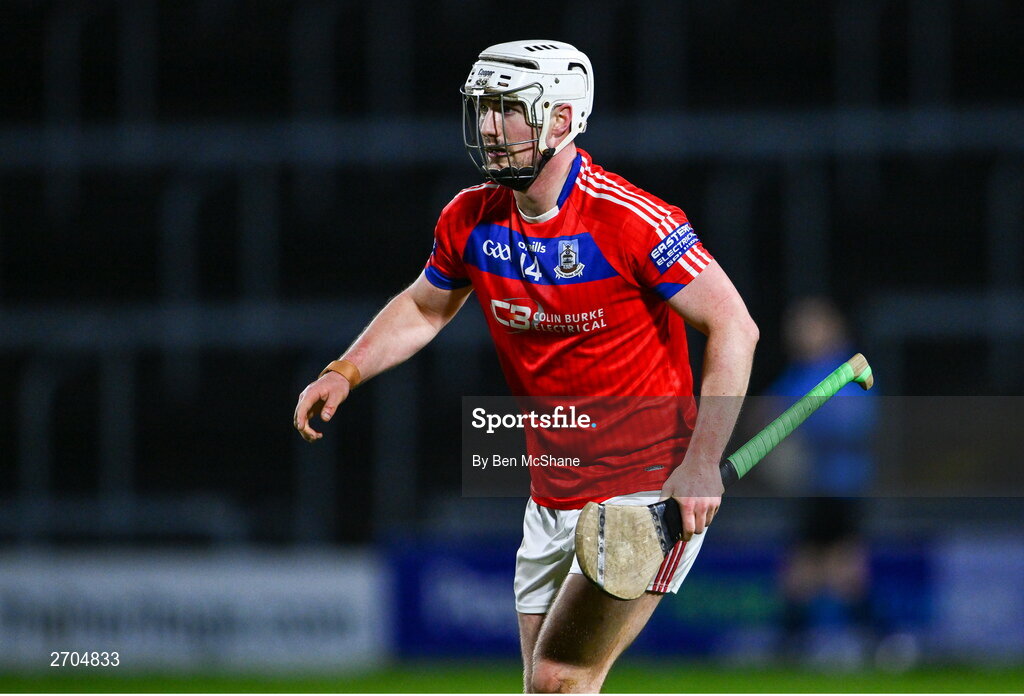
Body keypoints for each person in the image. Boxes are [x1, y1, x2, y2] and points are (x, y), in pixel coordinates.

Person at [293, 40, 758, 693]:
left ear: (562, 120)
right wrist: (344, 370)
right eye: (483, 108)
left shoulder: (630, 221)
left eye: (508, 109)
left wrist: (704, 458)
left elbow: (735, 325)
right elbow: (424, 309)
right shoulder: (469, 218)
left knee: (558, 677)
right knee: (550, 689)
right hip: (551, 495)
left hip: (646, 491)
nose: (488, 126)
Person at [765, 297, 878, 664]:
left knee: (841, 567)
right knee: (804, 568)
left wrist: (800, 433)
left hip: (841, 489)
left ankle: (874, 643)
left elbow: (853, 423)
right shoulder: (800, 373)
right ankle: (792, 646)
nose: (797, 334)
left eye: (808, 325)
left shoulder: (846, 370)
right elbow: (765, 414)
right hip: (810, 490)